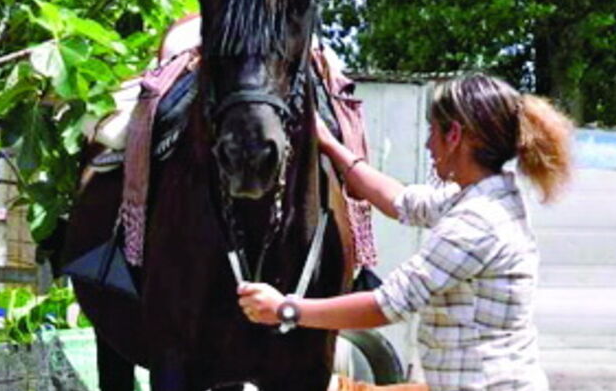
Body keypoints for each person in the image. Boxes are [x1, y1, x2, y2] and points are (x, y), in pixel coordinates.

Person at [237, 73, 574, 390]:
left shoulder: (474, 224)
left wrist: (285, 309)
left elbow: (386, 305)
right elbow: (400, 201)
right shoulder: (488, 197)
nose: (428, 145)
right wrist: (330, 144)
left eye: (433, 131)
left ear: (454, 136)